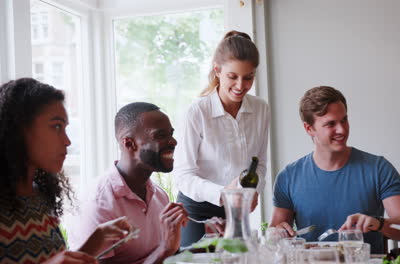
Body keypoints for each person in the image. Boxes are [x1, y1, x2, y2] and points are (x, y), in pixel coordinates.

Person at [270, 86, 400, 253]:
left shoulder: (378, 168)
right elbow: (275, 236)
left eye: (344, 120)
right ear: (309, 128)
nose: (342, 130)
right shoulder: (288, 177)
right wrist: (278, 233)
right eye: (331, 124)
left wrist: (377, 223)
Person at [0, 78, 132, 263]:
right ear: (19, 130)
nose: (67, 141)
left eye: (64, 128)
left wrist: (96, 241)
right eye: (56, 126)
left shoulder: (39, 196)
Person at [172, 30, 270, 246]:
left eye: (248, 77)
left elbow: (260, 163)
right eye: (232, 77)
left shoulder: (261, 109)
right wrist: (224, 193)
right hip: (196, 213)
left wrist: (254, 190)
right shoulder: (197, 112)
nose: (240, 86)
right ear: (217, 70)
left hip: (235, 211)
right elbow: (182, 175)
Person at [68, 102, 189, 264]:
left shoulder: (159, 195)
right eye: (160, 135)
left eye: (171, 134)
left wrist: (212, 242)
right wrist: (165, 249)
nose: (173, 141)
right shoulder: (99, 203)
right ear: (129, 144)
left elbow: (168, 258)